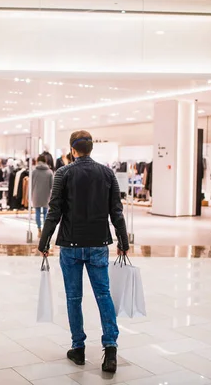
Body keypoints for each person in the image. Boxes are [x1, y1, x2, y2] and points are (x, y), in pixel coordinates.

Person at [38, 130, 129, 374]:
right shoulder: (107, 173)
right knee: (103, 295)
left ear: (72, 150)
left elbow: (54, 210)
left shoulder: (63, 173)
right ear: (91, 149)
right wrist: (123, 239)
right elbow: (116, 211)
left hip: (70, 245)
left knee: (73, 298)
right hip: (99, 244)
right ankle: (110, 349)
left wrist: (45, 240)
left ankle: (78, 348)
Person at [31, 155, 53, 238]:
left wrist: (29, 196)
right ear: (45, 161)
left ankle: (39, 230)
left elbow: (31, 185)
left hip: (36, 194)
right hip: (46, 194)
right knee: (45, 212)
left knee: (37, 212)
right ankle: (45, 230)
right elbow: (52, 186)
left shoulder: (33, 171)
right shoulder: (49, 172)